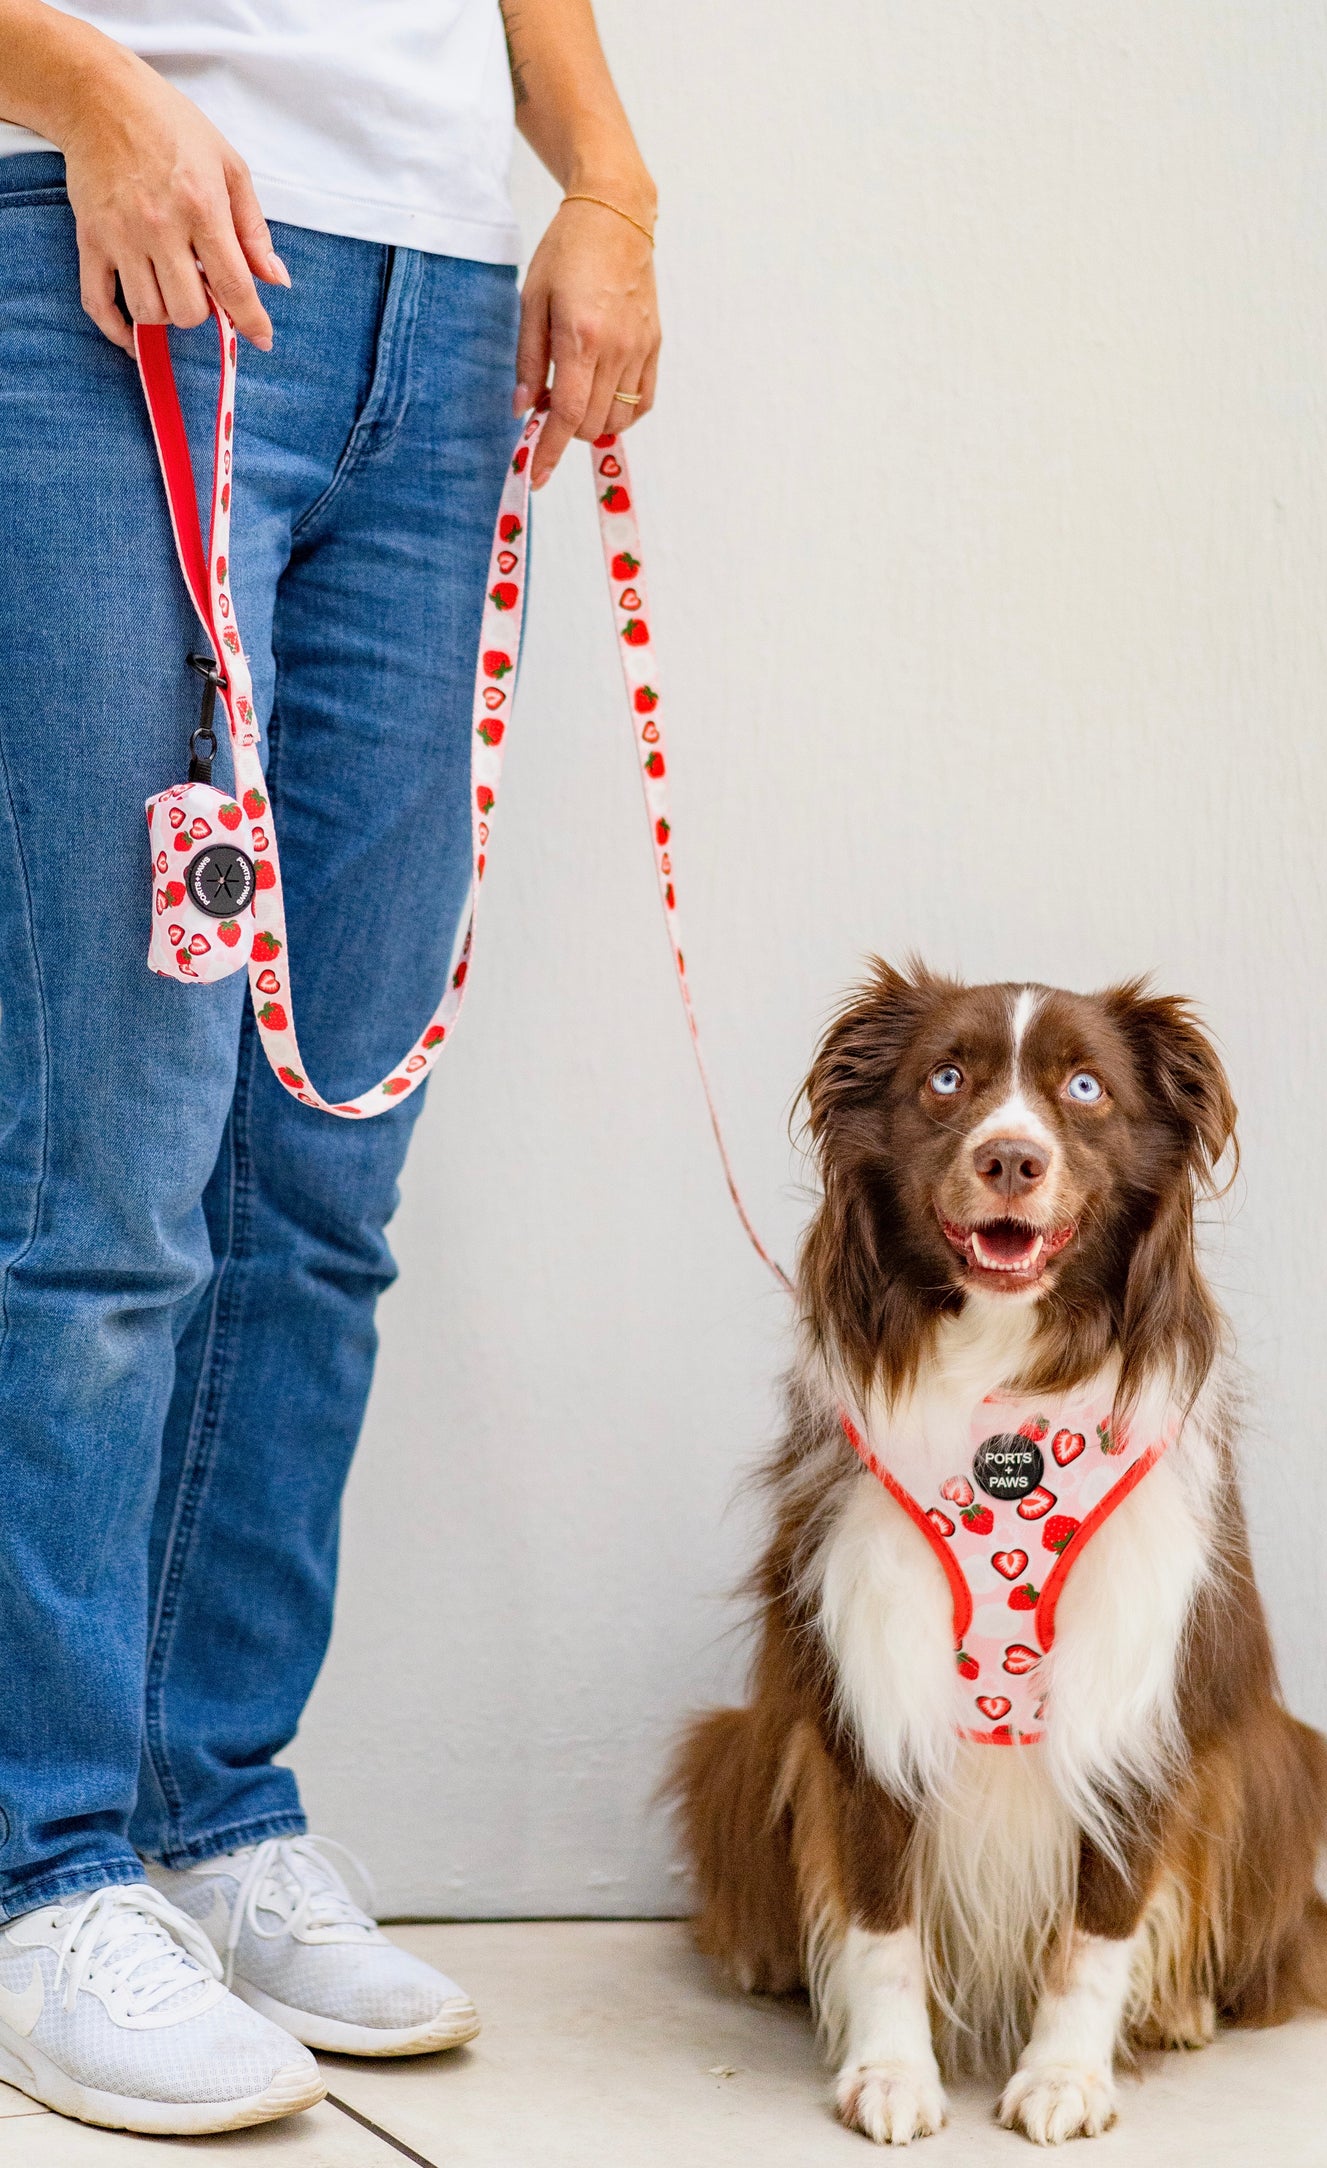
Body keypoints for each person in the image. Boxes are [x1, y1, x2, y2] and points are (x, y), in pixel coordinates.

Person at [0, 0, 658, 2134]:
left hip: (444, 320)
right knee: (109, 1161)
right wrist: (87, 89)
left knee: (324, 1158)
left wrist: (608, 185)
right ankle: (45, 1860)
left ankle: (212, 1805)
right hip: (109, 261)